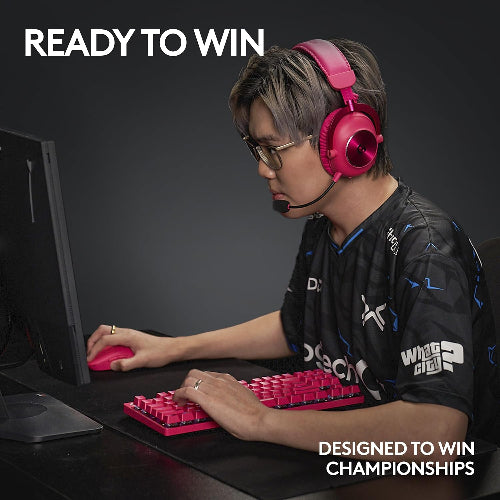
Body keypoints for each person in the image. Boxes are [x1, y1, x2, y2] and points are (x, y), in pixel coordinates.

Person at [86, 37, 499, 461]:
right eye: (257, 149)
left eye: (273, 149)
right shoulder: (324, 222)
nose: (263, 169)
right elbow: (297, 326)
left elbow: (437, 433)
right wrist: (172, 348)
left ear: (345, 141)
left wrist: (259, 420)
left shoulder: (425, 248)